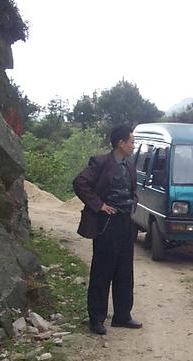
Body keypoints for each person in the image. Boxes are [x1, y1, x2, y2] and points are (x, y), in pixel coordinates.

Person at [73, 124, 142, 335]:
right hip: (107, 224)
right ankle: (96, 319)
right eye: (131, 141)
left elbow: (132, 190)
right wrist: (99, 205)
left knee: (124, 271)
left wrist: (133, 202)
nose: (133, 145)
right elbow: (80, 183)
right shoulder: (101, 162)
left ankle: (122, 316)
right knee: (102, 271)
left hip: (125, 223)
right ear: (121, 143)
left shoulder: (129, 166)